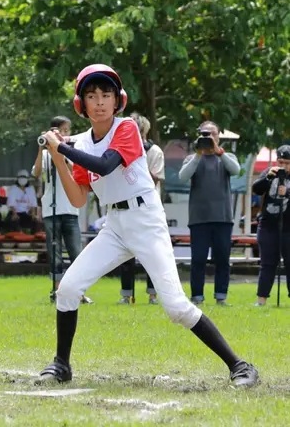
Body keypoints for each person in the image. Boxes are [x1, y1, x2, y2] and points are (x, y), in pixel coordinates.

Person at [35, 64, 258, 387]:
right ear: (81, 104)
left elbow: (106, 165)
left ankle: (240, 366)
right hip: (114, 224)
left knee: (176, 307)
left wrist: (62, 146)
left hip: (146, 220)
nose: (99, 102)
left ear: (118, 100)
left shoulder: (125, 128)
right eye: (91, 96)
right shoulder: (80, 144)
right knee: (67, 289)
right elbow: (79, 198)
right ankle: (61, 365)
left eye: (106, 95)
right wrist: (59, 157)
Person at [178, 121, 240, 306]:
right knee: (198, 259)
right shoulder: (192, 158)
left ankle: (221, 296)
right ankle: (197, 296)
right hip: (199, 218)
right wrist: (199, 153)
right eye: (205, 134)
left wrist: (219, 152)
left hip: (223, 217)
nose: (209, 137)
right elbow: (183, 176)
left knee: (222, 259)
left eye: (212, 133)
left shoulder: (226, 157)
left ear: (218, 136)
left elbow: (235, 170)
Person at [33, 116, 92, 305]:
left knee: (76, 252)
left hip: (70, 209)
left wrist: (62, 151)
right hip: (51, 209)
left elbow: (75, 171)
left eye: (67, 131)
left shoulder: (72, 153)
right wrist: (42, 148)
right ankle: (57, 289)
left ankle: (79, 291)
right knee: (55, 252)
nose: (66, 134)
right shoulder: (47, 155)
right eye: (62, 131)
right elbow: (36, 172)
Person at [117, 113, 164, 305]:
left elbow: (155, 180)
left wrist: (139, 158)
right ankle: (126, 294)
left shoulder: (154, 151)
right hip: (126, 205)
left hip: (147, 208)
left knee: (152, 253)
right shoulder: (121, 150)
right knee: (126, 253)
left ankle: (153, 294)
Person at [251, 145, 290, 306]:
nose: (284, 166)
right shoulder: (269, 173)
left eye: (287, 163)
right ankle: (262, 299)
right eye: (281, 162)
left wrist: (287, 193)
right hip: (268, 225)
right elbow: (256, 189)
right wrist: (268, 177)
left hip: (288, 227)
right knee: (267, 263)